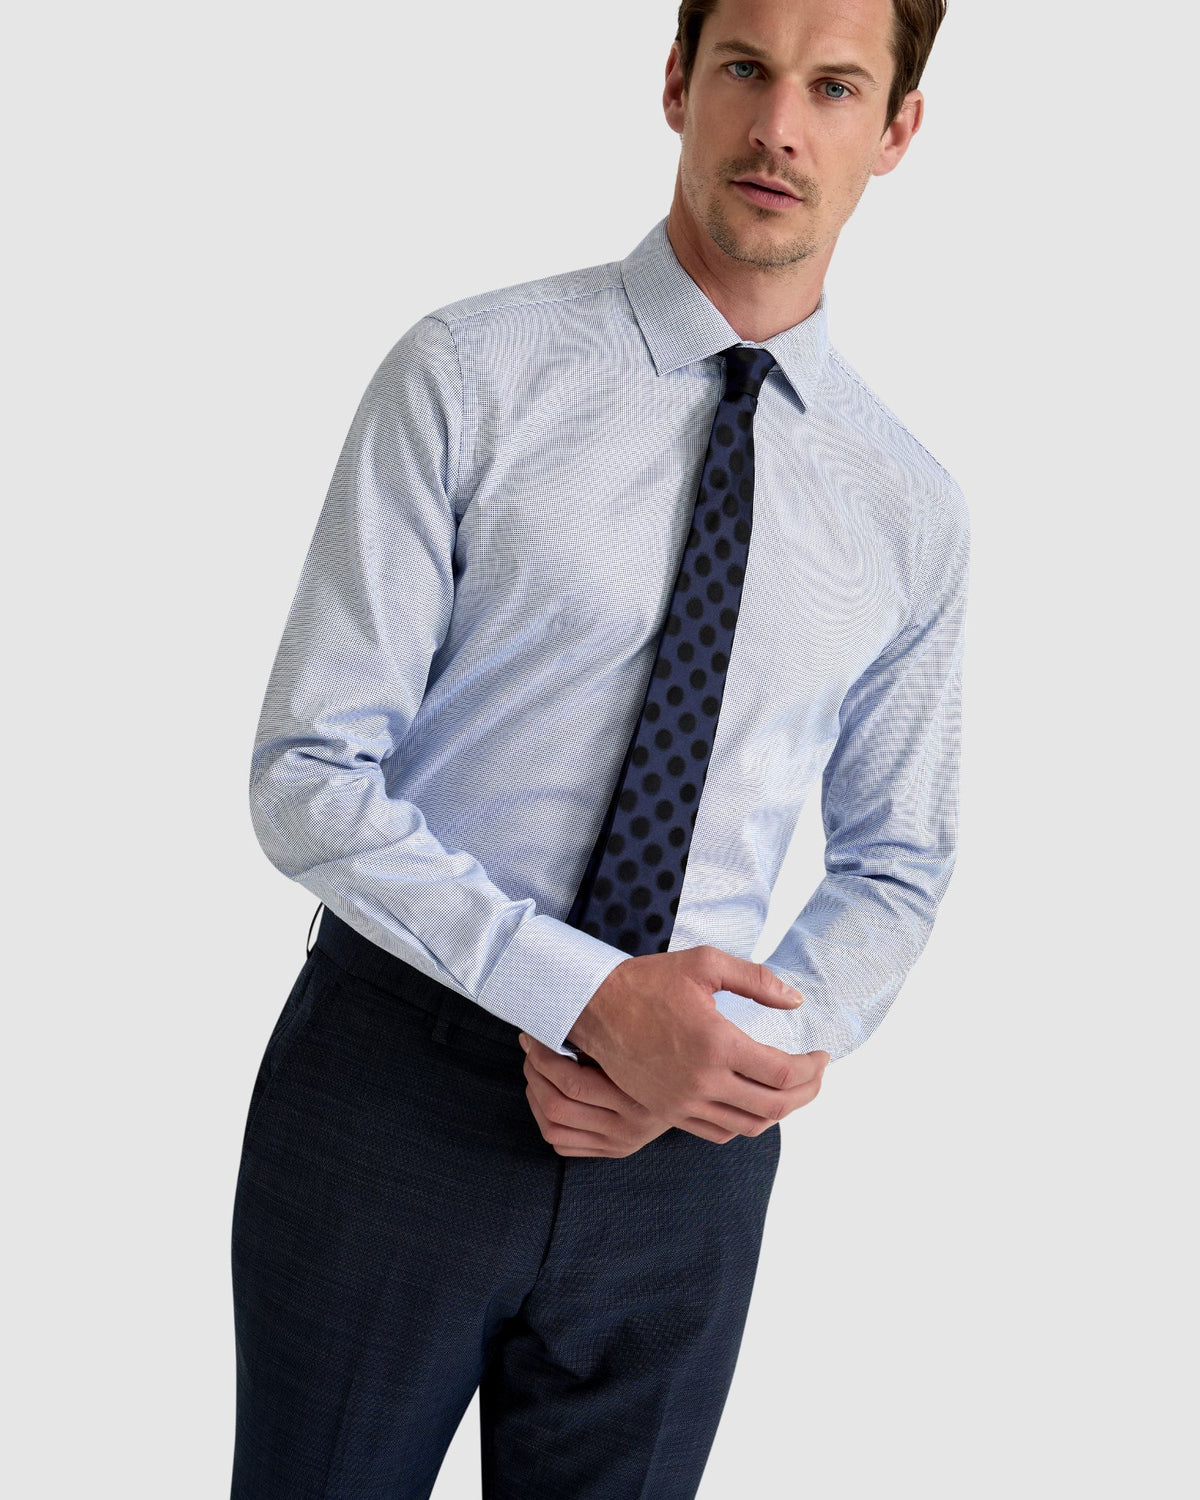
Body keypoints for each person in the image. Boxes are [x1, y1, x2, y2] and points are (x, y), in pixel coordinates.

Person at [229, 0, 968, 1494]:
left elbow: (899, 859)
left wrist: (742, 1051)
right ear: (678, 79)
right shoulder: (470, 371)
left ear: (897, 129)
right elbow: (309, 769)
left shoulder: (908, 505)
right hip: (397, 1090)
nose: (779, 127)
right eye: (747, 68)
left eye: (836, 88)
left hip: (689, 1163)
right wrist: (588, 997)